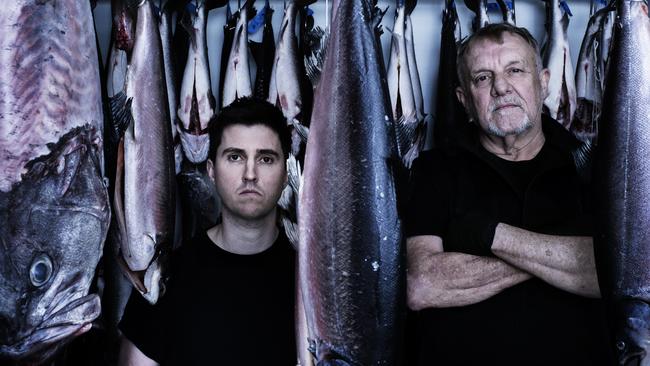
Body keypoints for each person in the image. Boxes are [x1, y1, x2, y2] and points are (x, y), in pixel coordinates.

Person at [405, 23, 613, 365]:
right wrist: (563, 255)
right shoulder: (434, 170)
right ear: (464, 100)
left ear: (543, 82)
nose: (501, 87)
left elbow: (618, 274)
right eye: (483, 78)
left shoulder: (594, 168)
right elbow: (422, 284)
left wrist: (490, 235)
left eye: (515, 70)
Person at [117, 97, 296, 365]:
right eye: (235, 157)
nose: (250, 174)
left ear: (286, 174)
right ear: (211, 171)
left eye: (266, 159)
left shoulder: (312, 281)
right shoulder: (167, 279)